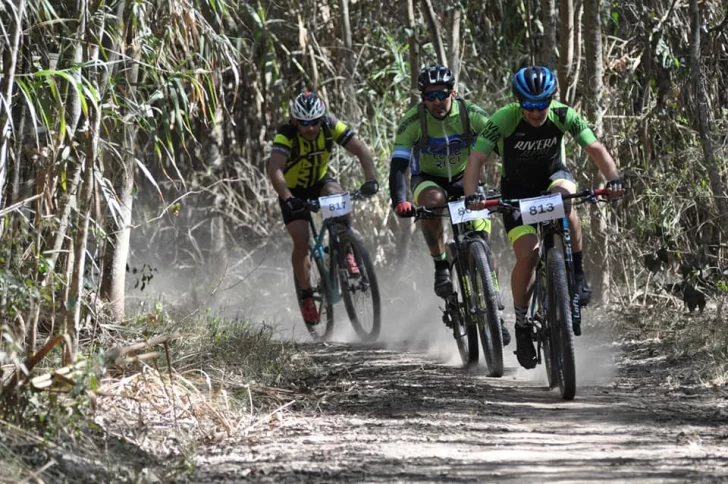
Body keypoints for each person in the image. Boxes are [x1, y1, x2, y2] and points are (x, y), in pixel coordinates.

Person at [463, 65, 624, 369]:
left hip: (553, 179)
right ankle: (522, 324)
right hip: (517, 191)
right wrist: (471, 195)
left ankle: (575, 275)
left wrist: (613, 179)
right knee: (527, 256)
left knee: (565, 200)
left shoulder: (564, 114)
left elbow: (594, 148)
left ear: (552, 99)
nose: (536, 112)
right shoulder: (503, 119)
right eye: (528, 105)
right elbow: (477, 158)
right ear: (518, 102)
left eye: (542, 104)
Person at [389, 64, 510, 346]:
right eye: (429, 96)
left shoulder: (471, 114)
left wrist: (512, 182)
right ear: (422, 98)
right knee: (433, 202)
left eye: (441, 95)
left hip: (465, 180)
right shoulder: (412, 121)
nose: (435, 102)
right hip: (428, 179)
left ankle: (496, 314)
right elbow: (398, 167)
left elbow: (502, 145)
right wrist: (400, 201)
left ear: (453, 92)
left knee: (483, 246)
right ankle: (441, 265)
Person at [268, 91, 379, 325]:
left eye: (315, 122)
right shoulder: (285, 134)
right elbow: (275, 168)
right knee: (301, 239)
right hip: (293, 191)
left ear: (322, 118)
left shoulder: (330, 125)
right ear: (295, 121)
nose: (311, 128)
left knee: (337, 197)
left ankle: (346, 249)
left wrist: (370, 180)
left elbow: (361, 149)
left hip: (319, 182)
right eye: (305, 123)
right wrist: (288, 198)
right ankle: (307, 296)